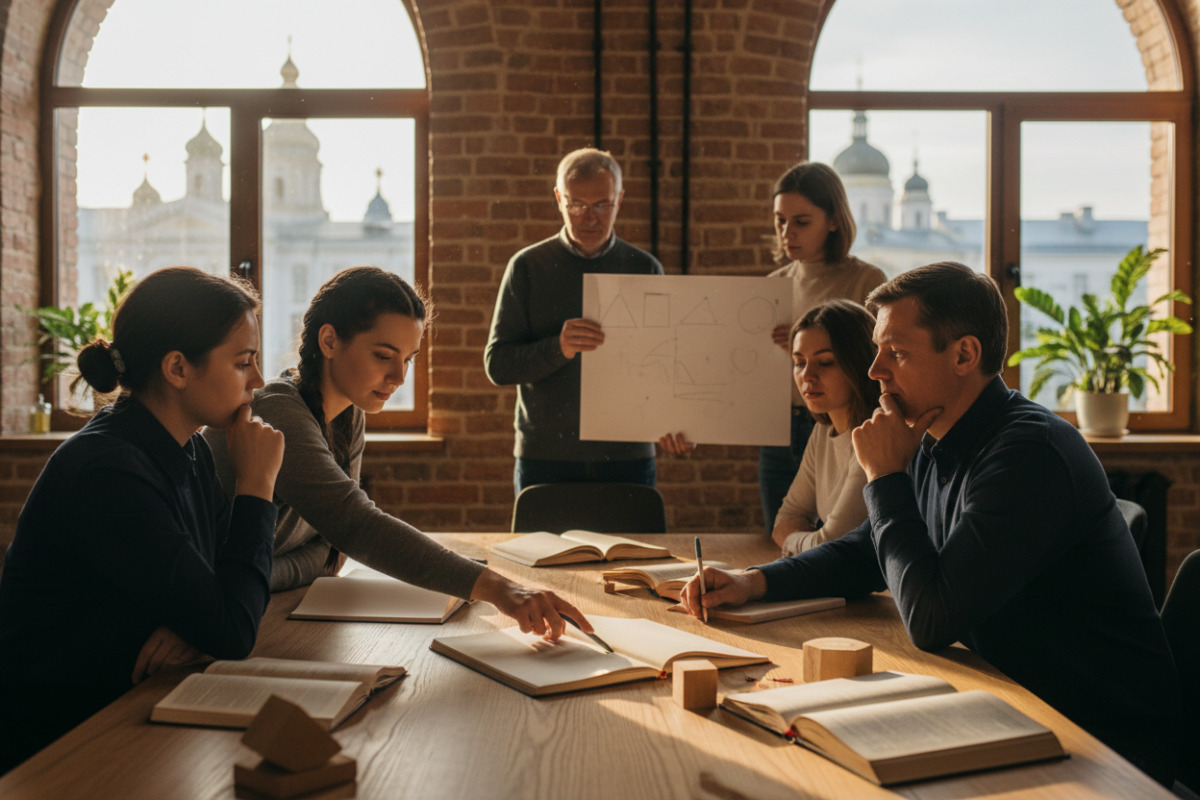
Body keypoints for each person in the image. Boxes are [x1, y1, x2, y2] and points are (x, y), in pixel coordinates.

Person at [679, 262, 1181, 785]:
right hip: (1006, 701)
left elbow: (932, 620)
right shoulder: (936, 432)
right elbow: (871, 549)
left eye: (895, 353)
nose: (874, 371)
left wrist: (884, 475)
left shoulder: (1030, 453)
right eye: (877, 350)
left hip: (1101, 745)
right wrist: (754, 581)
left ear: (965, 354)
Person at [0, 267, 284, 775]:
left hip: (136, 707)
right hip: (58, 744)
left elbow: (225, 598)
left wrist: (199, 626)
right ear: (177, 368)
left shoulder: (188, 447)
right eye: (244, 363)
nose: (259, 382)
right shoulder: (107, 471)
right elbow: (235, 628)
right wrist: (256, 485)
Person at [204, 266, 591, 638]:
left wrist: (261, 574)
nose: (399, 377)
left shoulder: (347, 413)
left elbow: (331, 550)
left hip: (249, 603)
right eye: (383, 355)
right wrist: (503, 590)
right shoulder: (277, 411)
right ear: (329, 341)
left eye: (408, 359)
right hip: (203, 614)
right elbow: (355, 526)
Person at [485, 147, 664, 495]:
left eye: (602, 205)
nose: (589, 217)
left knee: (638, 552)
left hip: (628, 455)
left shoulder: (645, 268)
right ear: (558, 198)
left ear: (620, 199)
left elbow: (664, 364)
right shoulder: (526, 267)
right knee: (542, 552)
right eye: (577, 204)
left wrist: (673, 420)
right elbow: (498, 366)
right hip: (547, 457)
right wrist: (559, 347)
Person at [756, 162, 885, 534]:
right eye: (780, 221)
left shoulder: (866, 280)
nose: (786, 232)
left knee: (841, 536)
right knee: (779, 531)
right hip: (779, 427)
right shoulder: (772, 286)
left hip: (846, 425)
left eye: (801, 221)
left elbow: (877, 362)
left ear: (833, 220)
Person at [772, 299, 879, 556]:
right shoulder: (823, 431)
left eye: (826, 362)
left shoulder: (875, 434)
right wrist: (807, 540)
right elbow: (784, 519)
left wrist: (793, 540)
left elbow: (832, 545)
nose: (807, 375)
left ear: (859, 363)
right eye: (799, 362)